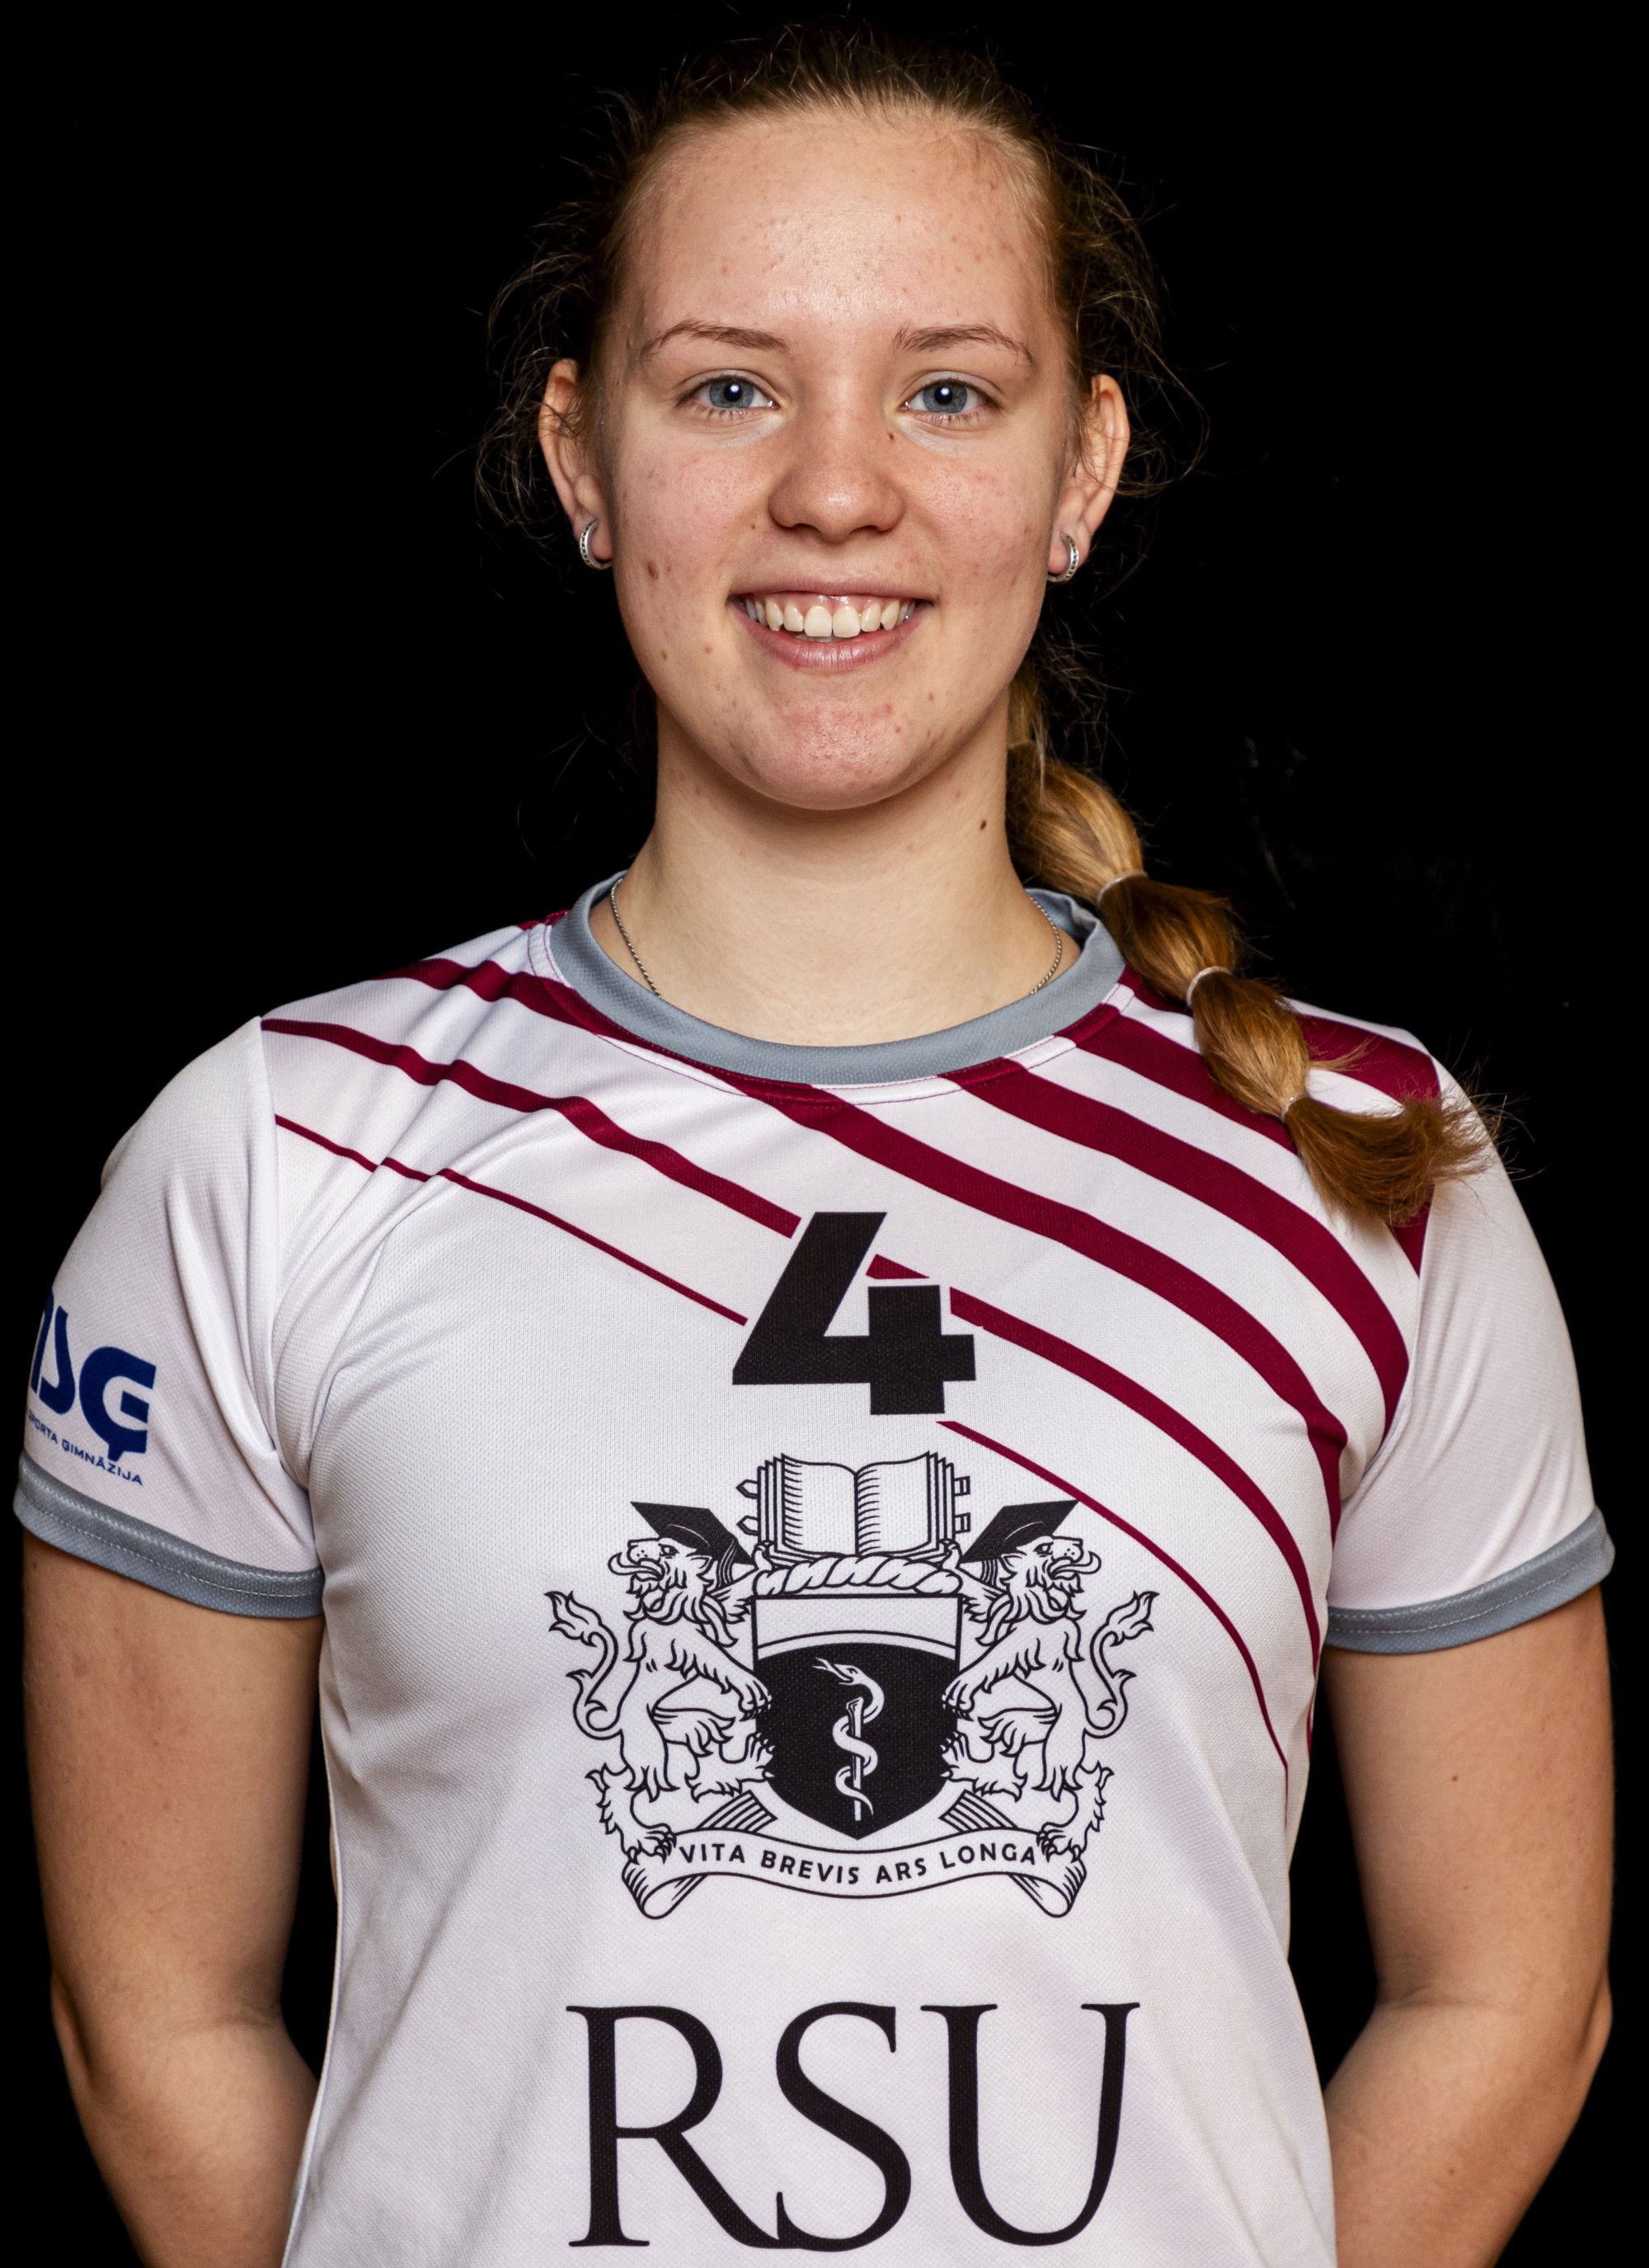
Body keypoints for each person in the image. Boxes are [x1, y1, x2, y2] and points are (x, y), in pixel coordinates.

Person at [19, 27, 1612, 2267]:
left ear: (1082, 470)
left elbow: (1505, 1997)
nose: (836, 492)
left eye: (947, 391)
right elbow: (156, 2018)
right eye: (729, 390)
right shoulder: (278, 1159)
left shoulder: (1354, 1156)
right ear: (581, 460)